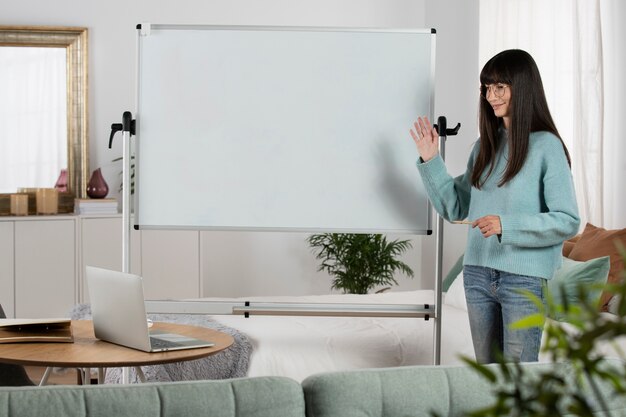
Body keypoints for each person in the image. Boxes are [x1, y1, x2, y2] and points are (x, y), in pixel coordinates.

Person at [409, 49, 580, 363]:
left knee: (517, 385)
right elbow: (455, 206)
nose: (490, 95)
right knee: (489, 383)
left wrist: (507, 225)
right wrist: (431, 160)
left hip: (523, 280)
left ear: (522, 87)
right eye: (487, 88)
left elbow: (568, 220)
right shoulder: (484, 145)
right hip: (476, 276)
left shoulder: (546, 147)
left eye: (499, 87)